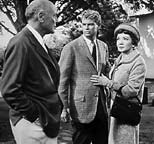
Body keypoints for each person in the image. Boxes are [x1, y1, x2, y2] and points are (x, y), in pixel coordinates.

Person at [0, 0, 63, 144]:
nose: (56, 20)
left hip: (45, 123)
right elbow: (9, 89)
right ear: (41, 16)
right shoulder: (21, 42)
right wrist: (34, 115)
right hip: (32, 125)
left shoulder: (36, 41)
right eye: (54, 15)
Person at [58, 9, 110, 144]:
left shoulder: (103, 46)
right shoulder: (71, 48)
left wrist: (108, 82)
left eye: (91, 24)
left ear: (98, 25)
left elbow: (107, 71)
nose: (86, 28)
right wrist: (64, 107)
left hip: (101, 106)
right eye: (84, 24)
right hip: (80, 107)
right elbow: (62, 81)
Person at [90, 23, 146, 144]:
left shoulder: (138, 62)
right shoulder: (120, 59)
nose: (120, 42)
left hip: (127, 110)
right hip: (115, 108)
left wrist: (108, 83)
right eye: (118, 39)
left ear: (133, 43)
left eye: (125, 39)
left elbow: (131, 90)